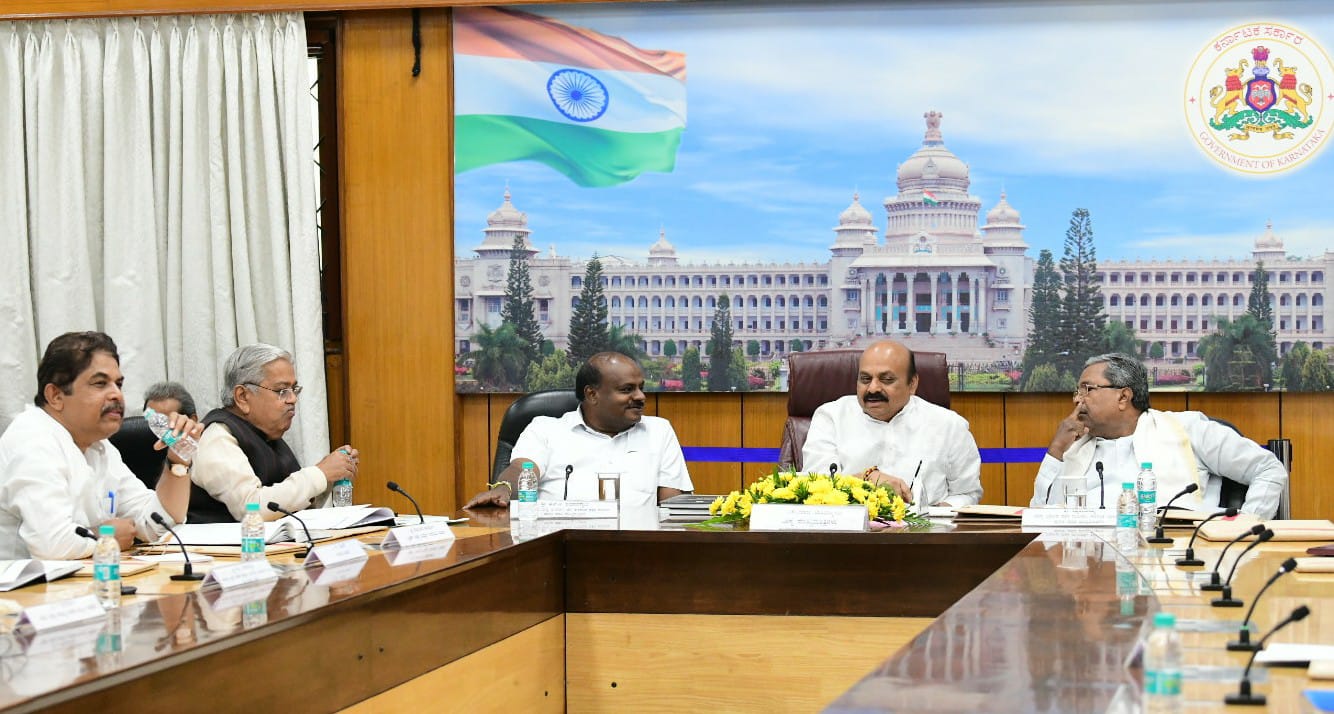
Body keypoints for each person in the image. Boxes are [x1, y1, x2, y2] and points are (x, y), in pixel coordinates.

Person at [0, 331, 201, 559]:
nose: (116, 394)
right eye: (100, 384)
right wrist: (106, 537)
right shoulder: (32, 439)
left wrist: (178, 459)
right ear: (55, 396)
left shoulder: (99, 446)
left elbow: (158, 525)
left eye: (118, 384)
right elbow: (51, 544)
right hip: (24, 581)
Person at [1031, 352, 1288, 518]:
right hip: (1086, 571)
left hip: (1178, 566)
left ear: (1123, 397)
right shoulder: (1074, 447)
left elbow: (1268, 468)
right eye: (1078, 391)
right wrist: (1056, 452)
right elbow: (1039, 515)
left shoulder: (1187, 429)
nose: (1078, 400)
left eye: (1087, 389)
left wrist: (1244, 528)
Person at [465, 352, 693, 509]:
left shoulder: (658, 431)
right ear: (592, 394)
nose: (641, 397)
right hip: (556, 547)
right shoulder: (545, 429)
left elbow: (672, 505)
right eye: (627, 390)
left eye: (641, 388)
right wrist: (504, 490)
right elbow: (521, 470)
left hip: (636, 549)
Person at [801, 340, 983, 507]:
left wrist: (939, 513)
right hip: (849, 528)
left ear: (912, 384)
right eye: (865, 379)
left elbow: (967, 493)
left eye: (887, 380)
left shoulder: (949, 425)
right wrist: (865, 479)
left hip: (924, 529)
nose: (873, 388)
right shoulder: (831, 417)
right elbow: (816, 486)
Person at [189, 343, 358, 523]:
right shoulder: (217, 437)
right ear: (242, 396)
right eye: (281, 391)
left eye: (294, 390)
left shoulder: (267, 435)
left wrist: (331, 475)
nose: (292, 399)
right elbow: (251, 508)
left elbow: (288, 509)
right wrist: (320, 473)